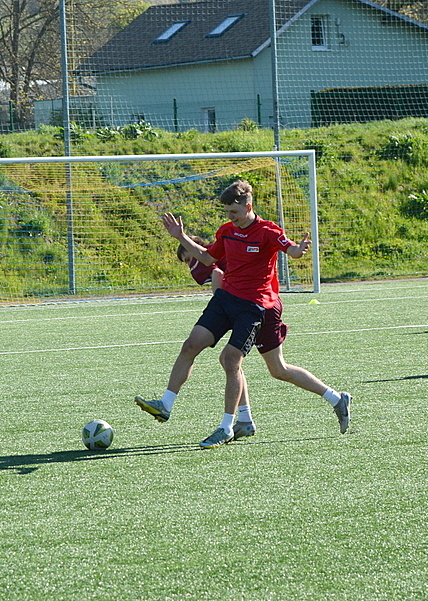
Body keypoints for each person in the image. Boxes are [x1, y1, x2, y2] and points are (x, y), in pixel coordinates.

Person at [135, 180, 352, 448]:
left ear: (248, 207)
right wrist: (181, 237)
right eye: (227, 212)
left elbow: (292, 250)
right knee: (191, 345)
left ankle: (228, 426)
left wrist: (298, 250)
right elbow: (207, 258)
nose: (230, 217)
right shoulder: (227, 231)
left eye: (234, 212)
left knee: (246, 363)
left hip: (255, 306)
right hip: (227, 299)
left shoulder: (268, 231)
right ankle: (166, 404)